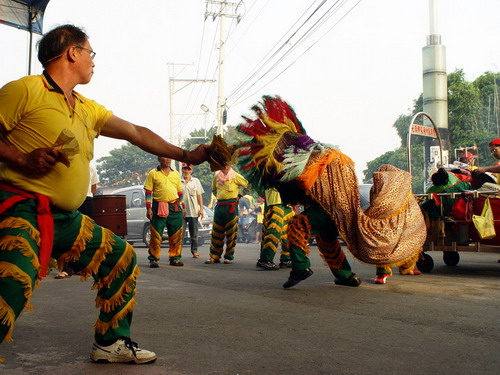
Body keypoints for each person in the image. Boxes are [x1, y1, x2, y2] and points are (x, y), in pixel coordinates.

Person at [0, 24, 209, 364]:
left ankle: (111, 343)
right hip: (21, 211)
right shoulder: (25, 90)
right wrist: (21, 157)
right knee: (10, 286)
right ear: (72, 52)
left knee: (120, 258)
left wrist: (187, 155)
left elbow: (135, 132)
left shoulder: (86, 107)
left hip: (66, 219)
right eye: (90, 53)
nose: (93, 62)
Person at [235, 96, 426, 288]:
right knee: (326, 240)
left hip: (329, 210)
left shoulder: (317, 158)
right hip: (337, 211)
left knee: (296, 226)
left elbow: (309, 182)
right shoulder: (324, 155)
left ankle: (300, 267)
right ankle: (344, 275)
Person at [55, 164, 99, 279]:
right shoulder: (69, 165)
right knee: (71, 233)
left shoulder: (91, 168)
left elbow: (93, 189)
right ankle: (67, 267)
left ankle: (82, 266)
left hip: (87, 201)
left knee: (85, 235)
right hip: (72, 201)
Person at [144, 157, 184, 268]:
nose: (168, 159)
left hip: (174, 207)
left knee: (176, 234)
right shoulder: (153, 173)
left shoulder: (176, 173)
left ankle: (175, 258)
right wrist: (148, 208)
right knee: (156, 234)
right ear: (159, 159)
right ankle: (153, 259)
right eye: (165, 157)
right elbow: (148, 192)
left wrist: (182, 207)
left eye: (169, 157)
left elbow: (180, 192)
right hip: (158, 206)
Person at [205, 165, 248, 264]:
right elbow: (214, 189)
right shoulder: (216, 176)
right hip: (219, 206)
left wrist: (239, 195)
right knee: (216, 232)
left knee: (231, 233)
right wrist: (220, 196)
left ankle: (229, 256)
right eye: (223, 164)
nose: (225, 166)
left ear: (230, 165)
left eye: (227, 164)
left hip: (231, 206)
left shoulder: (236, 176)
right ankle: (214, 256)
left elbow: (247, 185)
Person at [256, 188, 294, 270]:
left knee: (288, 229)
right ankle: (265, 259)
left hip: (286, 200)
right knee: (274, 229)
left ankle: (286, 258)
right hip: (276, 199)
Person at [181, 163, 205, 258]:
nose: (186, 171)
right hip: (181, 212)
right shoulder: (178, 181)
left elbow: (199, 196)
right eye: (184, 169)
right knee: (180, 234)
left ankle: (194, 251)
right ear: (182, 169)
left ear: (191, 170)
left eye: (188, 169)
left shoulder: (196, 181)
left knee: (194, 234)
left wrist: (201, 209)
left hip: (193, 211)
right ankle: (177, 252)